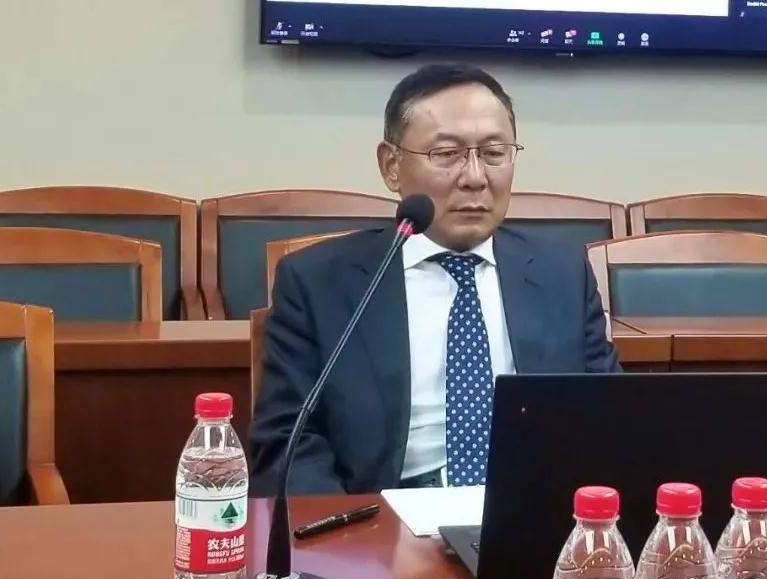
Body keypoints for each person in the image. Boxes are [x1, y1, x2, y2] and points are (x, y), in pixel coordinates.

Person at [249, 64, 620, 495]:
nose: (475, 177)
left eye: (494, 153)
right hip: (383, 515)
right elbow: (288, 443)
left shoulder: (562, 273)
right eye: (446, 154)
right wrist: (353, 530)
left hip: (531, 510)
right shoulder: (318, 282)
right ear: (391, 166)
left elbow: (611, 419)